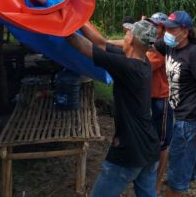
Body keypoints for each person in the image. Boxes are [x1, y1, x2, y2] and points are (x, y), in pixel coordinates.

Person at [65, 19, 160, 197]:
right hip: (149, 148)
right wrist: (80, 21)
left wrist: (64, 26)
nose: (125, 35)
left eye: (128, 33)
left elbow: (84, 47)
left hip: (129, 150)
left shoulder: (127, 66)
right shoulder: (140, 60)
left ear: (132, 40)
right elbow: (100, 43)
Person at [154, 11, 196, 197]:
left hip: (191, 123)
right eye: (166, 28)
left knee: (176, 180)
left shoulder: (195, 54)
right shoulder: (169, 46)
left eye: (172, 29)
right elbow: (143, 45)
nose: (167, 32)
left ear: (185, 31)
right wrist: (105, 44)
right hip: (182, 119)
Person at [146, 12, 174, 194]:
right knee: (155, 136)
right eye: (151, 24)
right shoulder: (154, 43)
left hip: (162, 98)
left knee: (163, 142)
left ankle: (157, 182)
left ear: (163, 28)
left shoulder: (162, 47)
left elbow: (144, 63)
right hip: (152, 96)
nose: (153, 28)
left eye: (156, 25)